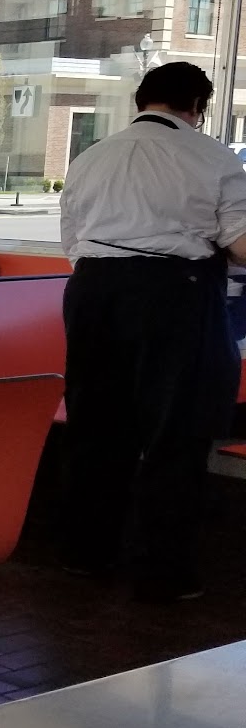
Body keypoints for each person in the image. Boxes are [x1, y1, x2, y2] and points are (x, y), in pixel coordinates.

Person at [59, 60, 246, 602]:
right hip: (173, 294)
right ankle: (161, 572)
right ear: (198, 107)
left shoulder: (91, 156)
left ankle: (85, 553)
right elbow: (241, 245)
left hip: (93, 291)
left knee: (96, 424)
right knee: (176, 430)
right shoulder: (211, 157)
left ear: (141, 101)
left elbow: (72, 239)